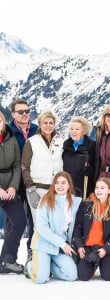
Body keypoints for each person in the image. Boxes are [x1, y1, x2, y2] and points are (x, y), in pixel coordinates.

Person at [21, 109, 63, 273]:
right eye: (45, 122)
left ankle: (51, 259)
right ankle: (34, 260)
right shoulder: (32, 141)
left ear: (54, 124)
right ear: (40, 124)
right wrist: (30, 188)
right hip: (37, 189)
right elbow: (24, 166)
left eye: (51, 123)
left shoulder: (60, 140)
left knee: (54, 226)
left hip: (55, 190)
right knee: (39, 226)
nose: (48, 125)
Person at [26, 171, 81, 283]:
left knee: (72, 275)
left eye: (63, 183)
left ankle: (48, 266)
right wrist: (62, 243)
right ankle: (31, 265)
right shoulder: (45, 200)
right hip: (44, 244)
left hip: (60, 249)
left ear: (69, 185)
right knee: (41, 279)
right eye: (57, 183)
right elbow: (42, 228)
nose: (60, 185)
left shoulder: (75, 202)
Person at [72, 177, 110, 281]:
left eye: (102, 188)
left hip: (105, 247)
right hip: (88, 247)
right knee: (83, 276)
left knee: (108, 276)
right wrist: (79, 245)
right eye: (97, 187)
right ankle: (92, 264)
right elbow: (78, 226)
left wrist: (106, 249)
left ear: (109, 190)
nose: (98, 190)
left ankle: (102, 262)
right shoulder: (86, 204)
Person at [9, 99, 38, 263]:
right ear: (13, 114)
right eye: (21, 112)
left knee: (35, 219)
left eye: (27, 111)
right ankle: (9, 257)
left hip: (32, 182)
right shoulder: (7, 130)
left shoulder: (36, 129)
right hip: (13, 183)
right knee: (13, 222)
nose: (25, 114)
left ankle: (32, 254)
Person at [0, 112, 27, 274]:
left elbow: (17, 165)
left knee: (20, 222)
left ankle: (7, 259)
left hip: (10, 189)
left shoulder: (11, 139)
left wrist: (13, 187)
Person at [63, 116, 96, 198]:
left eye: (77, 129)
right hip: (68, 190)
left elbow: (97, 166)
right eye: (72, 129)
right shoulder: (66, 146)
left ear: (84, 131)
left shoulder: (92, 146)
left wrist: (91, 171)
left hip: (85, 190)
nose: (74, 132)